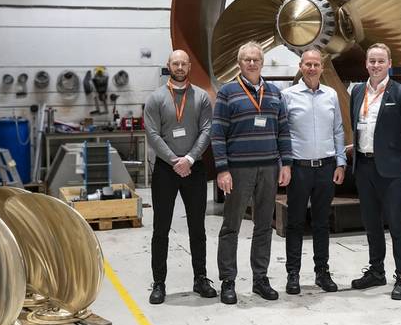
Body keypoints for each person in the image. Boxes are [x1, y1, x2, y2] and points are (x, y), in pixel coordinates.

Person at [211, 41, 292, 305]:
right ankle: (228, 281)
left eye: (256, 59)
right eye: (246, 59)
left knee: (263, 227)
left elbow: (283, 131)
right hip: (238, 169)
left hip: (268, 168)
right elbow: (218, 133)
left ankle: (260, 279)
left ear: (262, 62)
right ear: (239, 63)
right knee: (231, 226)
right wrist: (222, 169)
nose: (252, 63)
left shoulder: (274, 92)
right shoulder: (227, 92)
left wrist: (286, 164)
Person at [350, 43, 401, 300]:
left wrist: (399, 154)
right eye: (372, 61)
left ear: (389, 64)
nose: (376, 65)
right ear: (366, 64)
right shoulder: (357, 91)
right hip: (364, 167)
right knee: (370, 222)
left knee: (397, 224)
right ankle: (376, 271)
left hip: (390, 169)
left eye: (381, 61)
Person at [144, 49, 216, 304]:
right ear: (169, 66)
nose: (180, 67)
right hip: (166, 169)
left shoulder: (202, 98)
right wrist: (174, 160)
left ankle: (200, 278)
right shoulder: (156, 99)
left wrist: (190, 158)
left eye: (184, 63)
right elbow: (152, 134)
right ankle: (159, 282)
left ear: (189, 66)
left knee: (197, 228)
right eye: (176, 63)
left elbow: (207, 130)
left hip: (194, 169)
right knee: (160, 228)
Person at [281, 49, 346, 295]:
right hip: (299, 169)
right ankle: (293, 274)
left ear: (322, 68)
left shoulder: (330, 95)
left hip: (326, 168)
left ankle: (322, 272)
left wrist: (340, 162)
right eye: (307, 64)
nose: (311, 68)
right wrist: (284, 164)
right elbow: (282, 132)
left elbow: (338, 129)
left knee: (321, 223)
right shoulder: (287, 95)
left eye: (315, 64)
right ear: (300, 66)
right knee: (295, 223)